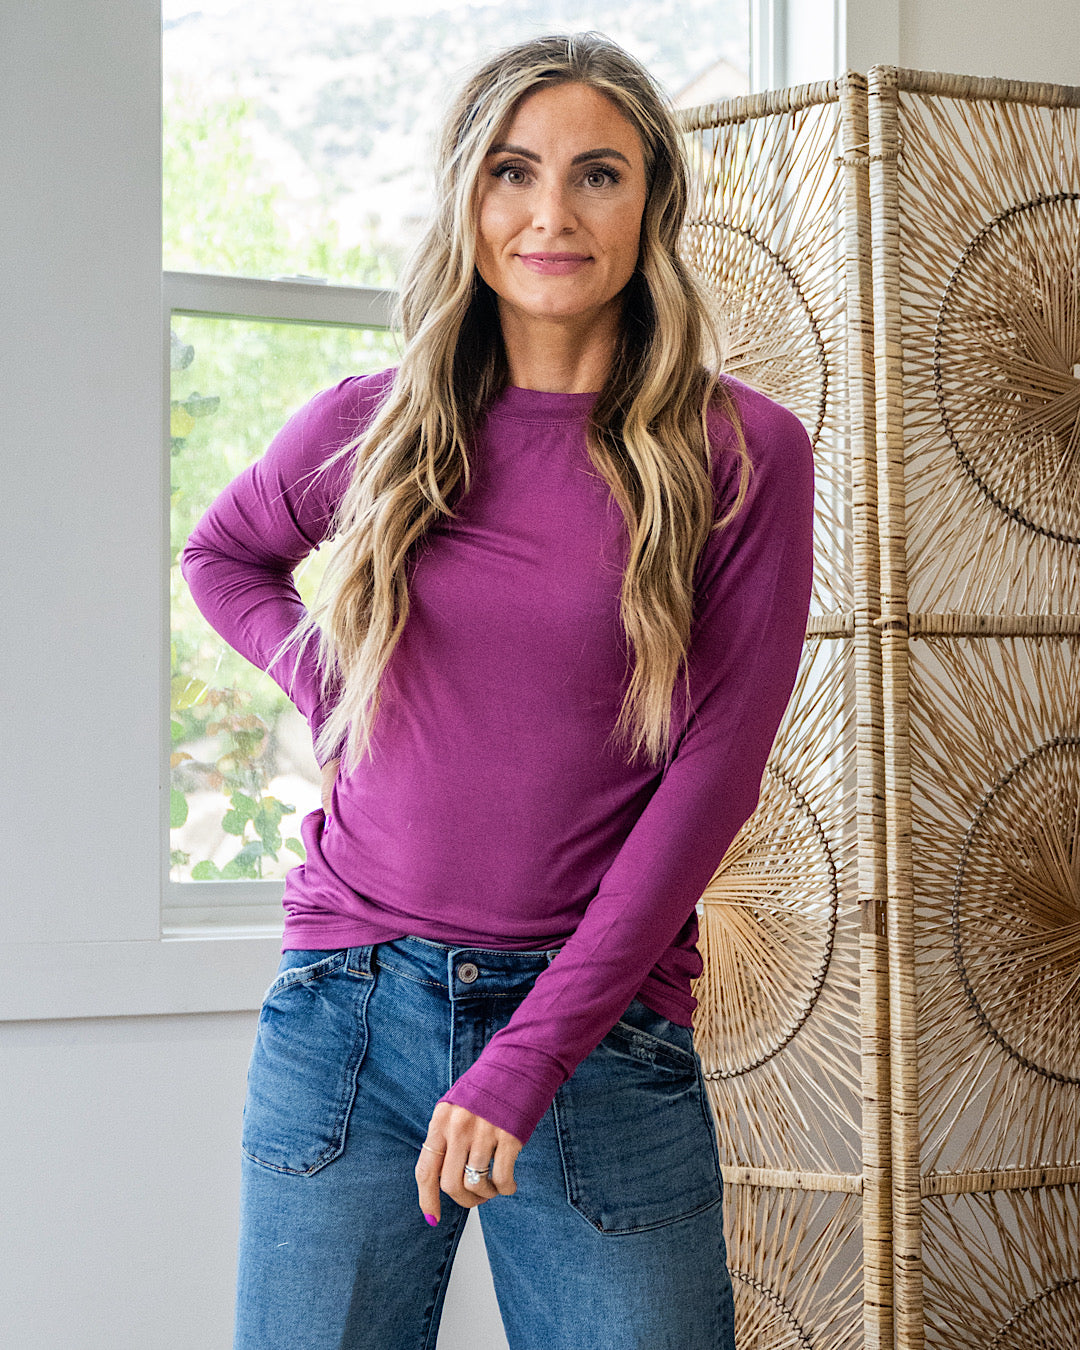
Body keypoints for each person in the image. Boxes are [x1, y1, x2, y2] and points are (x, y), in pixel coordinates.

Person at [182, 30, 814, 1350]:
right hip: (352, 1011)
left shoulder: (740, 451)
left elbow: (715, 775)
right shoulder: (375, 423)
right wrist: (339, 687)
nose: (551, 214)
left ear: (653, 203)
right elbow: (222, 556)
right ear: (467, 196)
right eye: (514, 172)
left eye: (598, 174)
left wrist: (531, 1053)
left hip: (598, 1027)